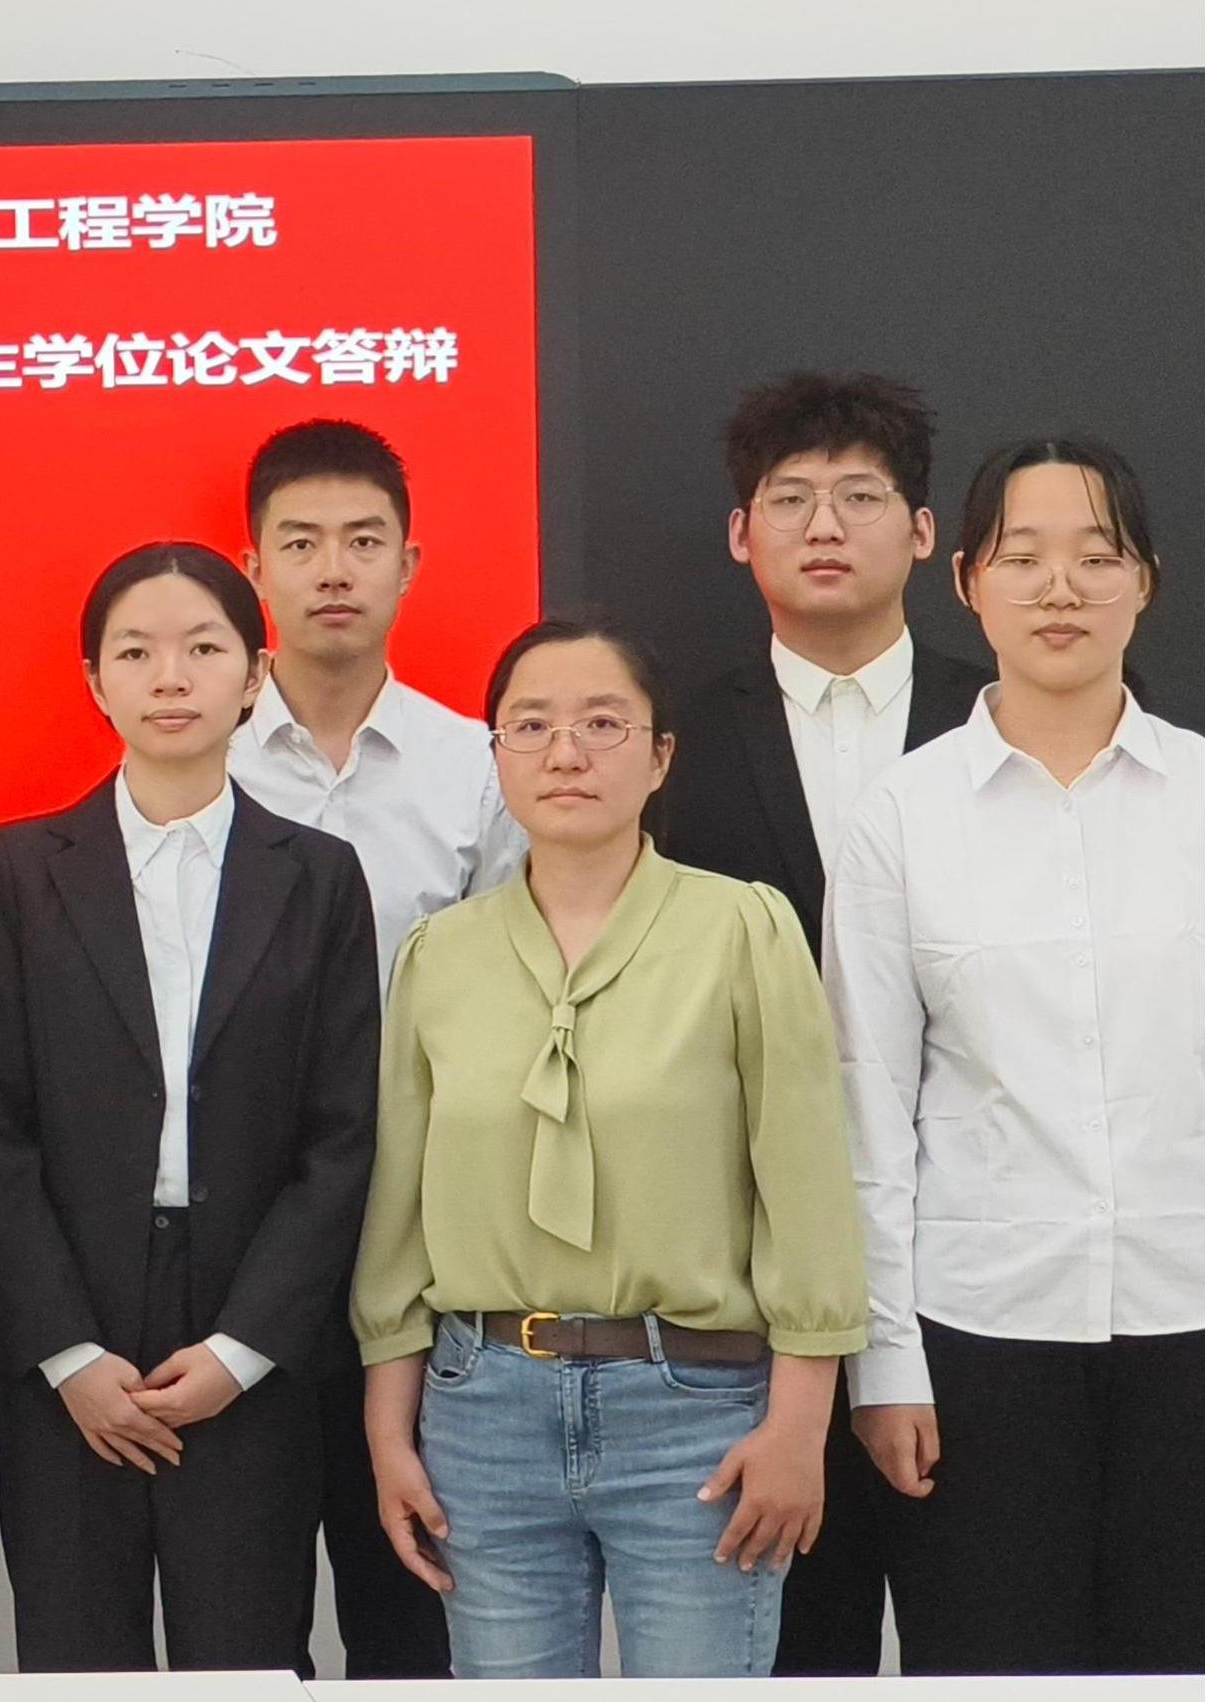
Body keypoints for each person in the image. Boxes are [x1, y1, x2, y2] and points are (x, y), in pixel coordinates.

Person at [353, 618, 868, 1679]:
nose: (565, 753)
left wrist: (799, 1425)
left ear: (659, 755)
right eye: (530, 726)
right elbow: (397, 1210)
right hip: (484, 1412)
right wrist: (389, 1432)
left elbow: (806, 1187)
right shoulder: (438, 955)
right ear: (496, 755)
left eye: (601, 724)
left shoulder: (743, 929)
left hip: (693, 1412)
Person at [0, 543, 380, 1672]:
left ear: (255, 674)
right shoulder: (21, 867)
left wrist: (243, 1350)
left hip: (248, 1317)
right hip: (69, 1318)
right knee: (73, 1657)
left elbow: (341, 1136)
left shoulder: (319, 875)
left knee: (245, 1657)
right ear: (93, 680)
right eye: (136, 652)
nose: (170, 678)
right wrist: (66, 1354)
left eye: (203, 648)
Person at [824, 437, 1202, 1676]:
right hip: (978, 1336)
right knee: (991, 1668)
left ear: (1144, 580)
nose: (1059, 589)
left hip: (1189, 1322)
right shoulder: (901, 814)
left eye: (1095, 557)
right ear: (965, 581)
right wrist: (883, 1362)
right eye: (1022, 557)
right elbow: (866, 1104)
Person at [653, 373, 991, 1671]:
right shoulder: (670, 745)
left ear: (922, 533)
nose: (824, 525)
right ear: (740, 535)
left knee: (987, 1639)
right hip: (746, 1285)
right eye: (789, 499)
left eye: (859, 495)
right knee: (794, 1656)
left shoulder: (1001, 718)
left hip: (969, 1263)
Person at [226, 419, 514, 1678]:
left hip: (429, 1233)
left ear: (409, 563)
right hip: (242, 1237)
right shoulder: (195, 759)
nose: (331, 569)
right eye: (299, 543)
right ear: (253, 569)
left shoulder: (479, 768)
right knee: (246, 1612)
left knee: (415, 1611)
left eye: (361, 540)